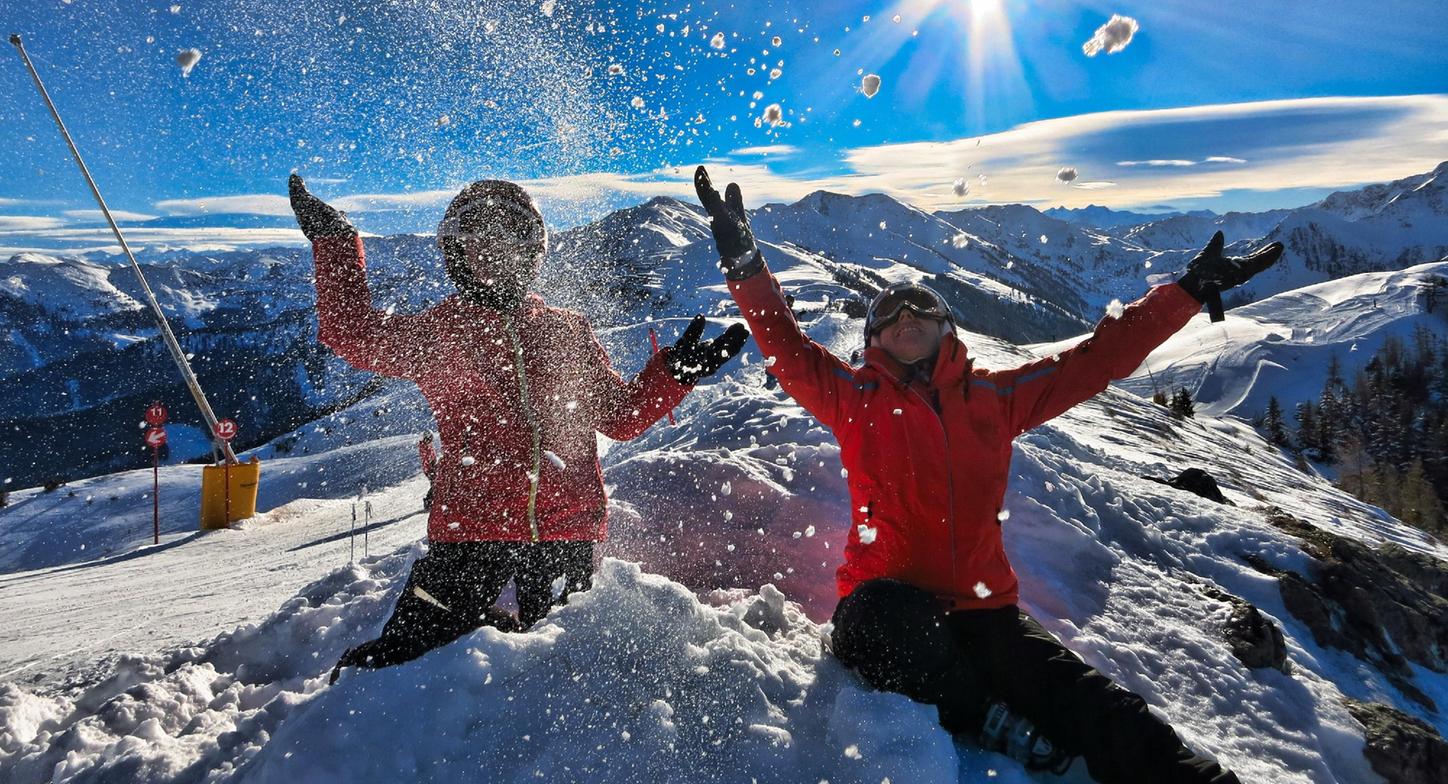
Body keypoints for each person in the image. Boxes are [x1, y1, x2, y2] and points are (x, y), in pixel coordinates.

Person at [693, 165, 1282, 783]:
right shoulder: (853, 399)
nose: (907, 316)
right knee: (878, 615)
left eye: (922, 308)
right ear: (874, 341)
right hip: (888, 614)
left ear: (947, 331)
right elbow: (787, 346)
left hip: (985, 613)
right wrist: (744, 264)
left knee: (1102, 706)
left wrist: (1186, 291)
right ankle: (984, 715)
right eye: (891, 315)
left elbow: (1095, 359)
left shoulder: (993, 400)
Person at [288, 174, 748, 677]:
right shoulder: (437, 331)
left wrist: (671, 377)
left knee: (565, 684)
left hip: (565, 538)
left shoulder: (566, 331)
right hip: (468, 538)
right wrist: (334, 242)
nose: (493, 254)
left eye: (508, 240)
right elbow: (352, 333)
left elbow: (618, 416)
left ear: (531, 252)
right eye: (479, 240)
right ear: (454, 251)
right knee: (395, 672)